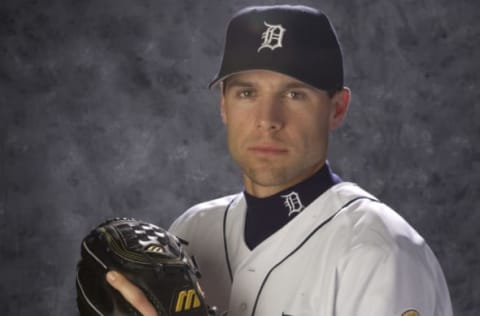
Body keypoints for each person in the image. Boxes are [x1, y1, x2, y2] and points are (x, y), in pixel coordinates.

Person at [106, 5, 453, 316]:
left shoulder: (382, 253)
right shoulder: (190, 233)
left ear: (337, 108)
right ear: (224, 105)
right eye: (247, 93)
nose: (267, 118)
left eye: (294, 94)